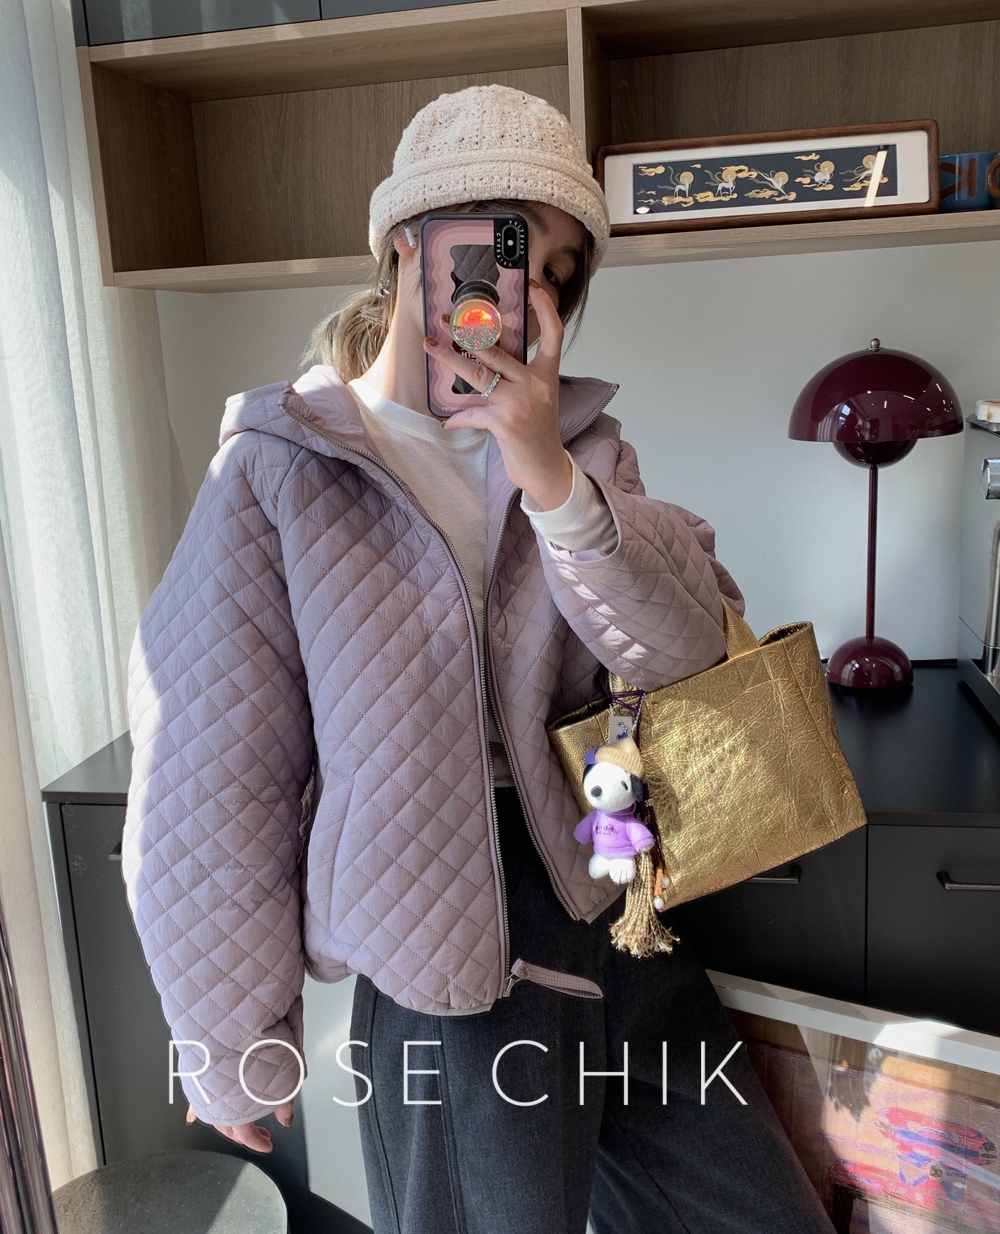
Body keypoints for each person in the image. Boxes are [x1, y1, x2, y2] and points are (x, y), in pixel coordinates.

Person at [122, 84, 837, 1234]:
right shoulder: (280, 467)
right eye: (501, 246)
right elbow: (206, 770)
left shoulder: (585, 453)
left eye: (556, 271)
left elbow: (690, 649)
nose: (524, 290)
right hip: (445, 967)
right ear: (409, 244)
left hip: (612, 907)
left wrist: (553, 478)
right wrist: (227, 1040)